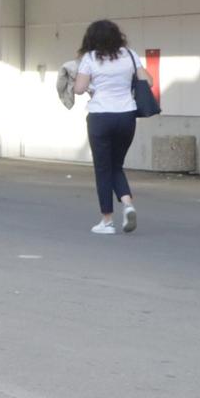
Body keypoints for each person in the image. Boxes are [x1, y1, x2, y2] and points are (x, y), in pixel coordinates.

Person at [72, 18, 148, 235]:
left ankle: (106, 220)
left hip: (100, 116)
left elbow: (79, 88)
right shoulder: (130, 55)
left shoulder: (90, 58)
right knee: (116, 165)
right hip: (126, 116)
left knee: (103, 168)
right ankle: (128, 203)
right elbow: (148, 80)